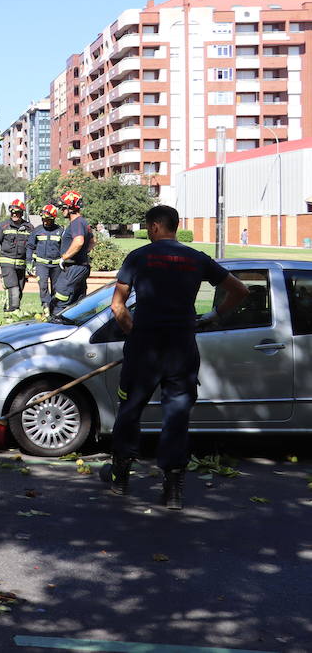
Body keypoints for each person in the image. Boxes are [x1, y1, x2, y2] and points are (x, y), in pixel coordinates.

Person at [102, 204, 249, 510]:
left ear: (155, 226)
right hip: (182, 349)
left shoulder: (139, 257)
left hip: (144, 349)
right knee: (177, 415)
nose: (146, 231)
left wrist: (134, 333)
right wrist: (213, 316)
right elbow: (239, 290)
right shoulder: (197, 258)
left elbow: (118, 306)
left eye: (147, 227)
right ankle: (173, 491)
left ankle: (120, 478)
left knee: (130, 409)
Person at [50, 190, 93, 316]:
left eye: (63, 207)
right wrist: (82, 254)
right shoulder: (83, 222)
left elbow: (79, 241)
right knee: (77, 304)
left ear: (71, 207)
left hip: (73, 268)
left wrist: (65, 257)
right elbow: (92, 242)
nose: (61, 209)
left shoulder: (77, 222)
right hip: (81, 267)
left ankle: (55, 328)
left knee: (59, 301)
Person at [0, 198, 33, 312]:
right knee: (13, 288)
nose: (14, 215)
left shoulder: (29, 228)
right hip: (7, 263)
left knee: (19, 290)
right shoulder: (3, 226)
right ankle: (11, 312)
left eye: (17, 213)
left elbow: (33, 246)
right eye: (12, 212)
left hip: (21, 265)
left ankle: (11, 308)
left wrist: (32, 263)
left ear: (22, 213)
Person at [28, 204, 65, 315]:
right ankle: (45, 306)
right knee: (43, 286)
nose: (45, 221)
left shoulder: (60, 231)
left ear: (53, 219)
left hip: (56, 265)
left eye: (47, 219)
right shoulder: (37, 230)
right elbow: (30, 246)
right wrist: (29, 262)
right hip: (41, 264)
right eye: (43, 219)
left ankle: (54, 310)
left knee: (56, 288)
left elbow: (65, 247)